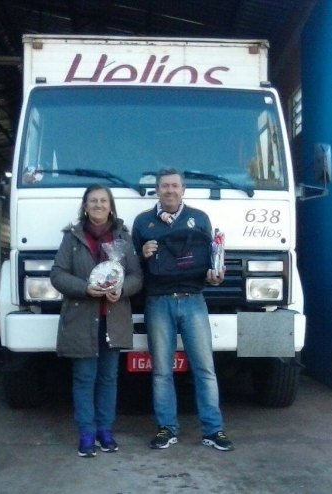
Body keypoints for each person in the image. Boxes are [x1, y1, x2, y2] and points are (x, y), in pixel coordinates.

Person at [131, 167, 234, 451]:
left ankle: (213, 430)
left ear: (183, 189)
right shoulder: (142, 223)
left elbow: (211, 262)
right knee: (162, 371)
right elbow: (130, 268)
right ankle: (166, 428)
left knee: (205, 369)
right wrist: (142, 255)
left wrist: (216, 276)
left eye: (175, 185)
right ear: (157, 190)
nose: (170, 190)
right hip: (157, 302)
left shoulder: (199, 218)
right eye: (165, 186)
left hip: (194, 300)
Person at [50, 184, 143, 458]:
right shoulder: (72, 237)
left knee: (108, 379)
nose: (99, 205)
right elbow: (57, 274)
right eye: (93, 201)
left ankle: (105, 431)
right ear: (85, 206)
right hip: (82, 318)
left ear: (110, 205)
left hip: (112, 320)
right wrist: (85, 288)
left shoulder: (123, 238)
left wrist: (122, 290)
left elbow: (137, 276)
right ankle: (86, 434)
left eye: (103, 200)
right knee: (84, 378)